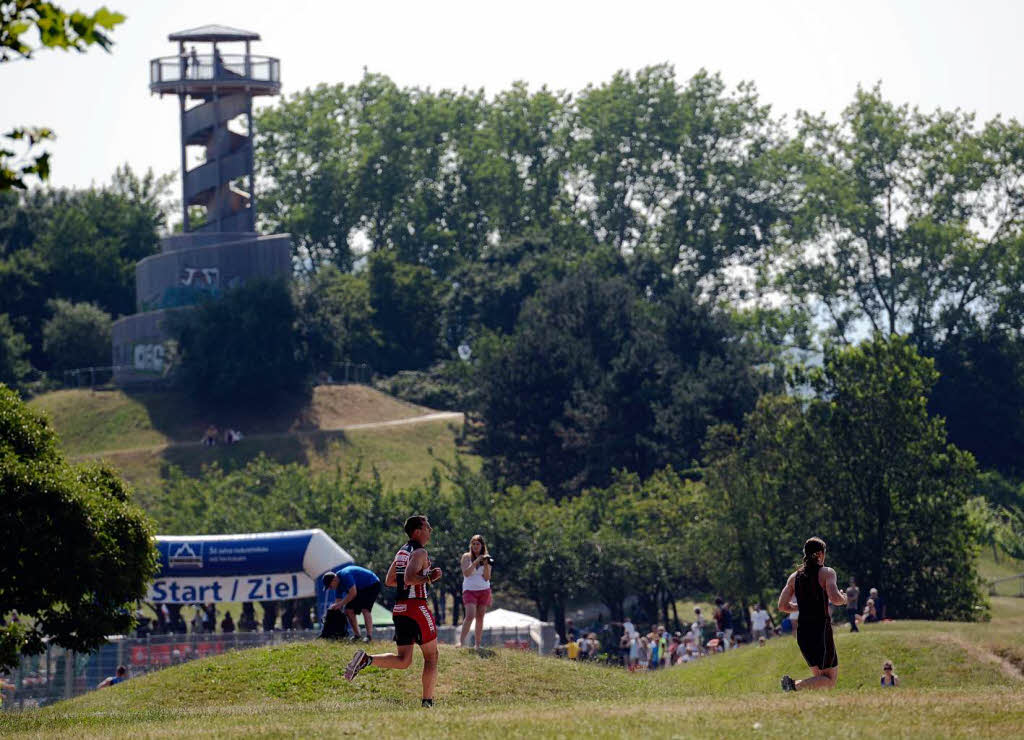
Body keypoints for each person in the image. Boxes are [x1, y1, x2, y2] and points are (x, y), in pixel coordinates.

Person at [344, 515, 442, 708]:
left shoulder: (401, 553)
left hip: (399, 609)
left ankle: (367, 659)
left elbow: (389, 580)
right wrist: (429, 577)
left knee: (404, 660)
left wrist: (418, 577)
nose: (430, 530)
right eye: (427, 527)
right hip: (416, 607)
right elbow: (408, 578)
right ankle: (427, 703)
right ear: (417, 531)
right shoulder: (420, 552)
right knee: (432, 657)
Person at [778, 536, 848, 692]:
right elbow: (835, 598)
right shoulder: (827, 573)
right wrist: (844, 599)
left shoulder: (794, 577)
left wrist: (801, 606)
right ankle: (793, 685)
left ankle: (802, 694)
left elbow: (782, 606)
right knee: (829, 680)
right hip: (820, 630)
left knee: (820, 681)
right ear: (820, 554)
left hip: (802, 633)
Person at [324, 563, 382, 642]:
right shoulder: (337, 586)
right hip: (359, 589)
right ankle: (357, 636)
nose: (330, 588)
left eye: (330, 586)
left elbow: (353, 593)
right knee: (348, 611)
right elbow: (338, 603)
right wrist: (333, 610)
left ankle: (369, 636)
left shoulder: (345, 575)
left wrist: (340, 604)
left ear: (334, 580)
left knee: (365, 609)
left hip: (372, 584)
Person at [458, 534, 493, 648]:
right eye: (473, 544)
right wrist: (476, 562)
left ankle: (477, 644)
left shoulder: (487, 558)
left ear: (482, 545)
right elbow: (466, 573)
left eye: (478, 544)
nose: (475, 546)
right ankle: (461, 642)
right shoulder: (466, 557)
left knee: (480, 617)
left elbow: (487, 577)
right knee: (470, 615)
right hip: (469, 590)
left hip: (484, 590)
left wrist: (486, 564)